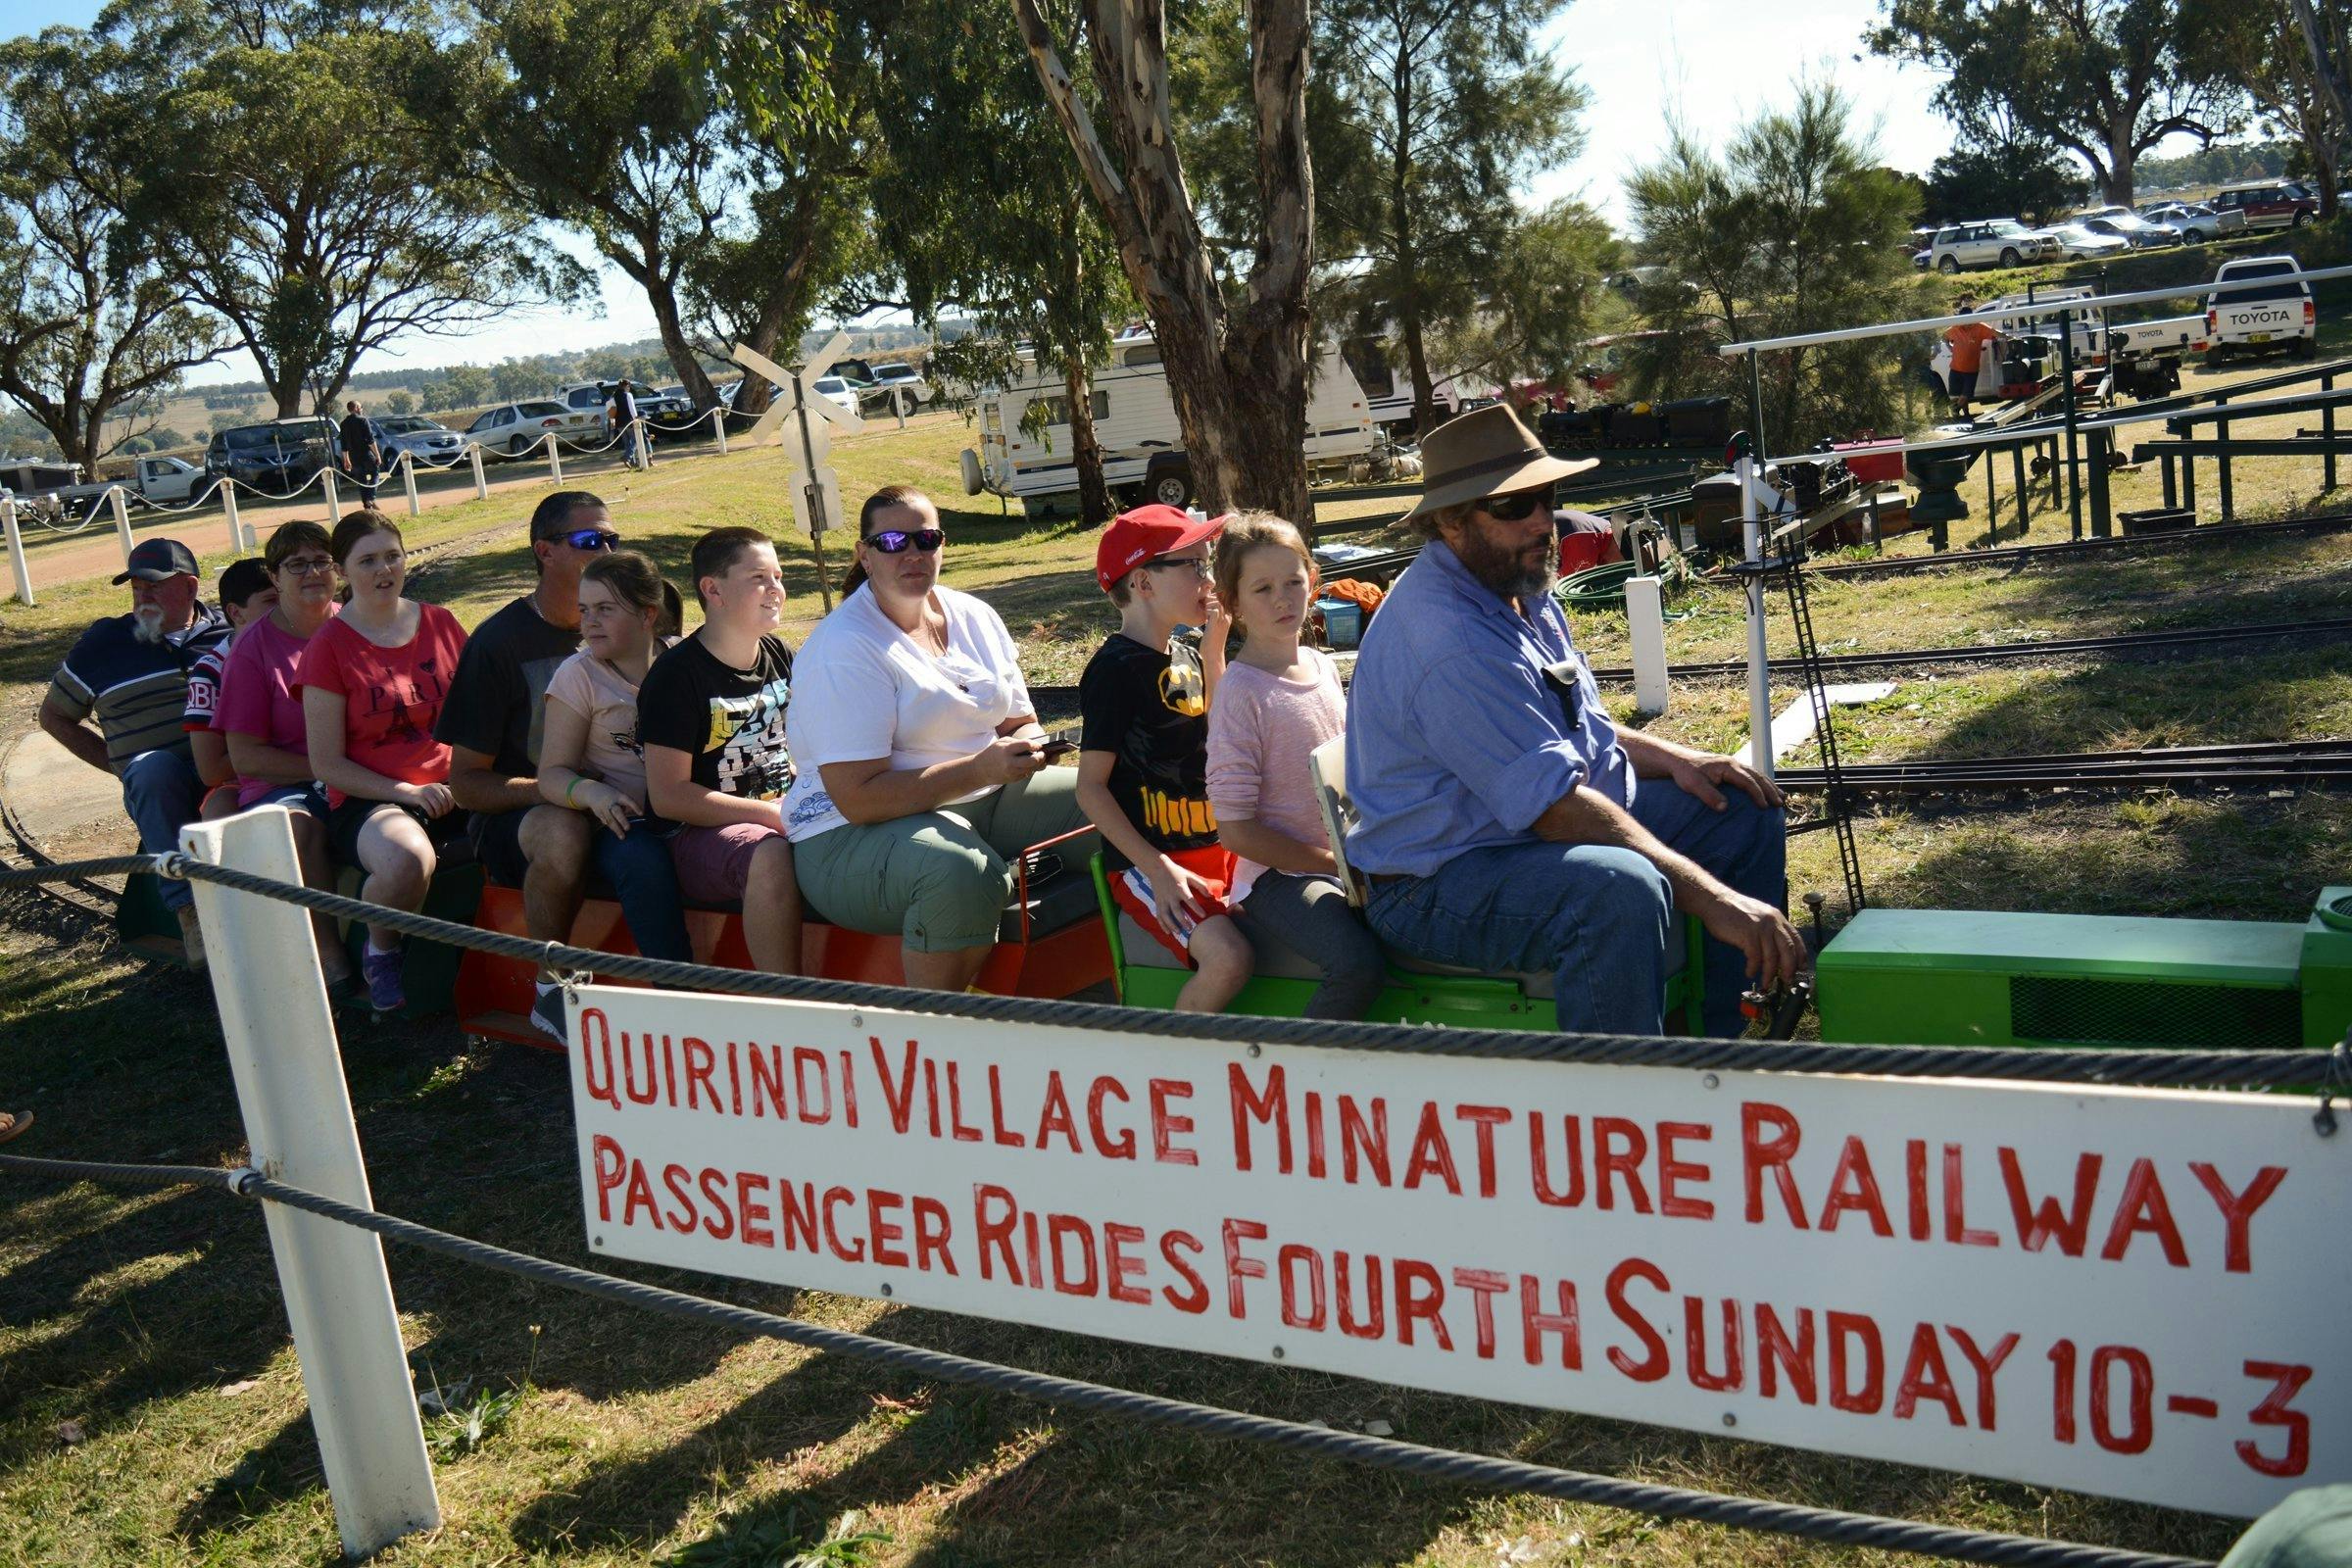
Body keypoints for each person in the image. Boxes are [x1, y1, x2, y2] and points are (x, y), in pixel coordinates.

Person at [1346, 404, 1803, 1038]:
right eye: (1512, 505)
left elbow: (1572, 727)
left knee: (1740, 810)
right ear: (1450, 521)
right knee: (1617, 891)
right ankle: (1619, 1084)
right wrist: (1719, 901)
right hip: (1436, 882)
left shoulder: (1516, 585)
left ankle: (1723, 1041)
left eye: (1546, 497)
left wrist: (1681, 759)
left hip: (1513, 835)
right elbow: (1556, 809)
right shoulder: (1451, 643)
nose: (1541, 520)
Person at [781, 486, 1088, 992]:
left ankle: (1125, 985)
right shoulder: (845, 647)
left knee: (1112, 802)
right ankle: (935, 1022)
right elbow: (858, 799)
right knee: (961, 870)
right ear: (864, 554)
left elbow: (1018, 721)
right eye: (893, 541)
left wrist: (1032, 746)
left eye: (926, 538)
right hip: (847, 835)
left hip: (982, 799)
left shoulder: (974, 616)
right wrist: (980, 769)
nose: (912, 553)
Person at [435, 491, 609, 1041]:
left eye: (612, 539)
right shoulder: (497, 644)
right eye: (590, 540)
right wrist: (558, 789)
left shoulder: (628, 622)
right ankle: (552, 989)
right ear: (545, 551)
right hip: (521, 815)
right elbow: (466, 784)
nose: (606, 551)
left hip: (618, 796)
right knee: (562, 830)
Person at [1206, 513, 1386, 1020]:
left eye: (1293, 581)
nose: (1283, 599)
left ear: (1314, 578)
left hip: (1347, 856)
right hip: (1279, 878)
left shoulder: (1322, 664)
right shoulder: (1241, 692)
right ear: (1233, 602)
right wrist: (1333, 865)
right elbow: (1236, 831)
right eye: (1262, 589)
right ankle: (1303, 1063)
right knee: (1357, 964)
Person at [1074, 502, 1251, 1013]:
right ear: (1144, 582)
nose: (1209, 579)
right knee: (1229, 959)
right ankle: (1176, 1051)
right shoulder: (1114, 669)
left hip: (1216, 847)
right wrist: (1155, 869)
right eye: (1194, 565)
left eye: (1207, 563)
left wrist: (1214, 647)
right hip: (1154, 863)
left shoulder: (1188, 652)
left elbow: (1220, 734)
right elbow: (1090, 788)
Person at [298, 510, 468, 1013]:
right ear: (342, 571)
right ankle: (382, 950)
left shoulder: (441, 623)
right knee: (406, 861)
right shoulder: (328, 647)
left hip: (457, 783)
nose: (384, 570)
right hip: (371, 798)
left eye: (392, 556)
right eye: (368, 560)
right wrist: (406, 792)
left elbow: (479, 713)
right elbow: (326, 763)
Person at [37, 537, 227, 964]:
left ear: (190, 587)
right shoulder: (104, 643)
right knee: (151, 770)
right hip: (159, 783)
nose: (142, 596)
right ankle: (189, 913)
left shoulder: (227, 634)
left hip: (231, 771)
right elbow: (54, 717)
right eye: (136, 588)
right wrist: (120, 767)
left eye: (154, 586)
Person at [639, 527, 803, 973]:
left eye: (778, 576)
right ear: (713, 590)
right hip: (697, 835)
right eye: (758, 578)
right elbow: (668, 796)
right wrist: (770, 816)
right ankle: (787, 999)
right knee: (769, 854)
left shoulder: (780, 654)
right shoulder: (675, 677)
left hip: (781, 812)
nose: (776, 589)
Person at [538, 550, 695, 963]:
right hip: (622, 822)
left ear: (647, 615)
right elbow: (551, 774)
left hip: (691, 809)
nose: (589, 621)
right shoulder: (578, 676)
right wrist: (594, 794)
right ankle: (675, 985)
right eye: (584, 610)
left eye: (605, 609)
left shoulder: (685, 661)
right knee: (643, 862)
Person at [220, 519, 355, 993]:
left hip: (365, 769)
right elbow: (246, 758)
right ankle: (328, 952)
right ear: (275, 578)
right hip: (287, 784)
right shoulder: (251, 650)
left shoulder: (358, 625)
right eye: (296, 565)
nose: (312, 573)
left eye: (321, 561)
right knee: (301, 827)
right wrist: (329, 768)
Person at [185, 558, 277, 821]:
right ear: (236, 613)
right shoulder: (211, 670)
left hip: (319, 771)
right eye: (271, 600)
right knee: (221, 818)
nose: (285, 608)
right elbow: (211, 770)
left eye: (287, 596)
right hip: (242, 783)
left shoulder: (309, 646)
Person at [1943, 297, 2000, 415]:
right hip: (1956, 368)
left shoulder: (1980, 327)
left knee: (1965, 395)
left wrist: (2010, 338)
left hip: (1971, 370)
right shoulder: (1955, 329)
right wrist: (1950, 347)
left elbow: (1995, 333)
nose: (1967, 323)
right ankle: (1964, 414)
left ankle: (1956, 410)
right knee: (1956, 395)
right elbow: (1944, 337)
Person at [337, 401, 382, 507]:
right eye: (361, 407)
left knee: (361, 481)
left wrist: (346, 459)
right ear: (356, 408)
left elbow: (343, 443)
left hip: (353, 456)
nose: (361, 409)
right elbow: (370, 440)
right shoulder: (363, 420)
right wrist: (377, 455)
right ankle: (371, 498)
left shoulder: (343, 424)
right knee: (375, 472)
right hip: (366, 453)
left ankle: (367, 506)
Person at [607, 380, 648, 469]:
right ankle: (627, 457)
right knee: (635, 440)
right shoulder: (628, 395)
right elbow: (632, 408)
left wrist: (612, 422)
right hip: (628, 421)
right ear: (626, 386)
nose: (629, 388)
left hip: (619, 422)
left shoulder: (613, 396)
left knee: (627, 443)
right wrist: (635, 418)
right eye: (629, 386)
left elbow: (610, 408)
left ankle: (632, 463)